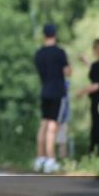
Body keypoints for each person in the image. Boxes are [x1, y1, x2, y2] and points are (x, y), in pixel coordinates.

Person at [33, 24, 71, 173]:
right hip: (57, 92)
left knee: (43, 124)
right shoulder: (59, 52)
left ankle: (40, 158)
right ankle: (51, 159)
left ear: (44, 35)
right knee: (52, 126)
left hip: (45, 90)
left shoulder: (39, 53)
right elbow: (67, 72)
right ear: (55, 34)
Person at [75, 38, 99, 156]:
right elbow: (97, 70)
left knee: (96, 128)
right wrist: (86, 61)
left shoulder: (97, 66)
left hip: (98, 100)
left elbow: (96, 85)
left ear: (96, 50)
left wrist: (81, 92)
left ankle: (94, 154)